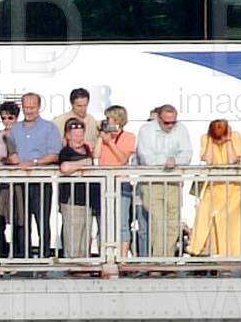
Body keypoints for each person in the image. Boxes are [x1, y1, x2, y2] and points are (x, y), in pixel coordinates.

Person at [1, 91, 60, 259]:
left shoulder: (49, 128)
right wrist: (13, 159)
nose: (29, 111)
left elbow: (54, 155)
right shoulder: (15, 129)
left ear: (39, 107)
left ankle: (45, 256)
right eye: (26, 107)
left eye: (32, 107)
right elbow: (10, 153)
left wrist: (34, 163)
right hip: (19, 182)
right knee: (21, 220)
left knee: (42, 220)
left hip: (40, 180)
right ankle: (23, 256)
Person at [135, 103, 192, 260]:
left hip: (173, 181)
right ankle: (159, 260)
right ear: (159, 119)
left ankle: (168, 259)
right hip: (152, 181)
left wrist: (175, 161)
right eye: (167, 122)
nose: (171, 126)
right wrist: (167, 161)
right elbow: (146, 158)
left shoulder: (181, 129)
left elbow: (187, 153)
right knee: (158, 222)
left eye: (173, 122)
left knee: (173, 223)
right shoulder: (146, 130)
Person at [189, 118, 241, 259]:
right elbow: (208, 160)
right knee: (203, 213)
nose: (219, 141)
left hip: (233, 187)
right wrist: (210, 141)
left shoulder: (236, 137)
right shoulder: (205, 138)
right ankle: (196, 249)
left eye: (221, 137)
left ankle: (229, 254)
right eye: (216, 138)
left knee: (226, 220)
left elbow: (232, 161)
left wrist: (229, 140)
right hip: (213, 186)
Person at [95, 105, 137, 258]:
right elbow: (95, 155)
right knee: (104, 222)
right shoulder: (103, 136)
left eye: (110, 119)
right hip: (104, 183)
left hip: (121, 183)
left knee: (122, 222)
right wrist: (101, 138)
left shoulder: (129, 136)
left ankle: (123, 256)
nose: (107, 121)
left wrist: (110, 143)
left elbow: (123, 159)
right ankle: (105, 255)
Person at [56, 117, 99, 262]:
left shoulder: (87, 149)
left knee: (86, 235)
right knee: (73, 236)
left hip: (88, 199)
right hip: (72, 199)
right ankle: (72, 264)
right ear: (68, 135)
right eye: (75, 135)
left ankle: (84, 264)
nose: (79, 138)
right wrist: (85, 162)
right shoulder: (66, 152)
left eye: (81, 135)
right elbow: (65, 167)